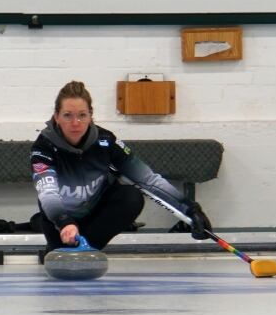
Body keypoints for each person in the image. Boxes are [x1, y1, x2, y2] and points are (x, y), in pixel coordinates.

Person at [30, 81, 212, 257]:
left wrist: (191, 209)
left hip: (95, 215)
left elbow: (148, 179)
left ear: (91, 115)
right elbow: (48, 193)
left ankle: (87, 247)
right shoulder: (43, 147)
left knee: (131, 197)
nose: (75, 123)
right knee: (57, 255)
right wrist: (65, 222)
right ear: (56, 116)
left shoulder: (106, 141)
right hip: (60, 219)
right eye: (67, 115)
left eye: (82, 115)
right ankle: (57, 248)